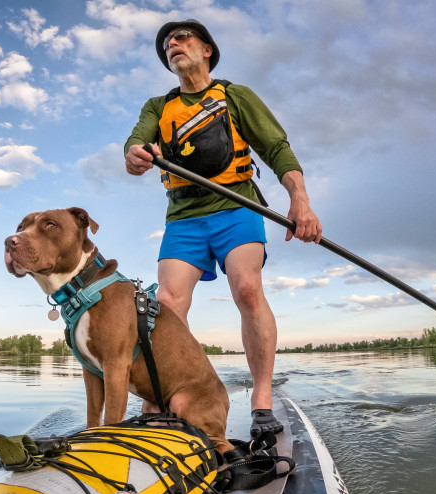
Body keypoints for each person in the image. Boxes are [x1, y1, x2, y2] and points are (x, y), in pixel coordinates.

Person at [124, 19, 322, 438]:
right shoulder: (157, 107)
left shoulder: (234, 95)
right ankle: (156, 402)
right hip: (183, 216)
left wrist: (299, 201)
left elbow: (275, 148)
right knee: (167, 302)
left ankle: (262, 399)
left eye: (181, 38)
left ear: (207, 49)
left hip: (237, 207)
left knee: (247, 288)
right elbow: (135, 144)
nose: (172, 45)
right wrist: (135, 155)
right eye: (166, 44)